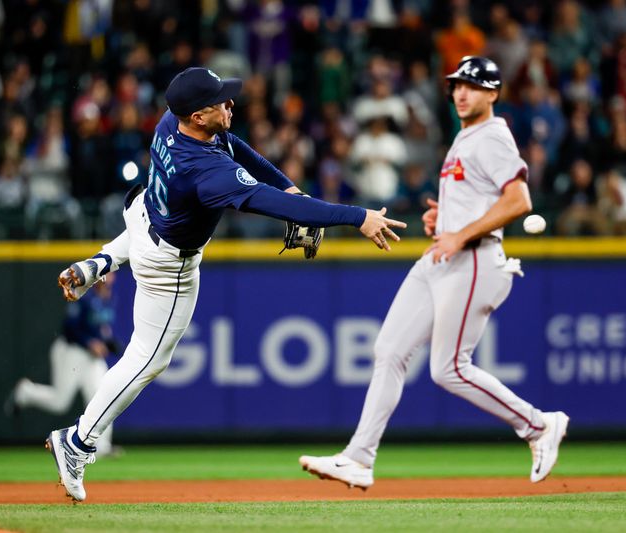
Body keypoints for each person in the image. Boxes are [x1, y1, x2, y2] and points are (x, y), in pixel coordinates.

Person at [46, 66, 407, 502]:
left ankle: (100, 262)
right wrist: (358, 216)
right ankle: (78, 442)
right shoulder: (206, 172)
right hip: (165, 266)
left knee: (149, 224)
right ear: (198, 116)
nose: (230, 104)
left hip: (143, 218)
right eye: (220, 101)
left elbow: (238, 149)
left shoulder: (171, 121)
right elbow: (264, 201)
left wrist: (292, 189)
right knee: (146, 360)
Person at [299, 56, 569, 490]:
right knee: (388, 350)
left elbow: (519, 201)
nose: (462, 92)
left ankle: (539, 426)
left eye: (474, 86)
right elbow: (480, 199)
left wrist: (459, 233)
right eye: (458, 85)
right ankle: (358, 459)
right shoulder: (466, 136)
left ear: (493, 94)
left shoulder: (493, 137)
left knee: (449, 369)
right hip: (444, 256)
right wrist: (445, 221)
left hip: (476, 258)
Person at [4, 273, 120, 458]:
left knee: (104, 394)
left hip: (91, 357)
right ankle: (25, 392)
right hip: (71, 350)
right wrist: (90, 342)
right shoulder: (84, 294)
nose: (107, 278)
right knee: (60, 402)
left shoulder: (109, 297)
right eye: (103, 274)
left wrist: (107, 342)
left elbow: (102, 328)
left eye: (110, 274)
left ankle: (103, 446)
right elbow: (69, 327)